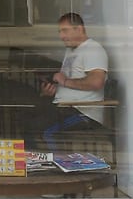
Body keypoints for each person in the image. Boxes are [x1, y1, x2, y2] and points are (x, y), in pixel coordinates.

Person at [39, 12, 108, 143]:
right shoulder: (71, 51)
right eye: (59, 32)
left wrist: (64, 81)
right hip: (64, 108)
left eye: (65, 31)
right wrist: (49, 90)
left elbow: (96, 82)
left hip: (82, 113)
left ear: (80, 29)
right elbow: (69, 82)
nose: (61, 36)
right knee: (26, 120)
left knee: (43, 132)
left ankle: (56, 163)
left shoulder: (93, 49)